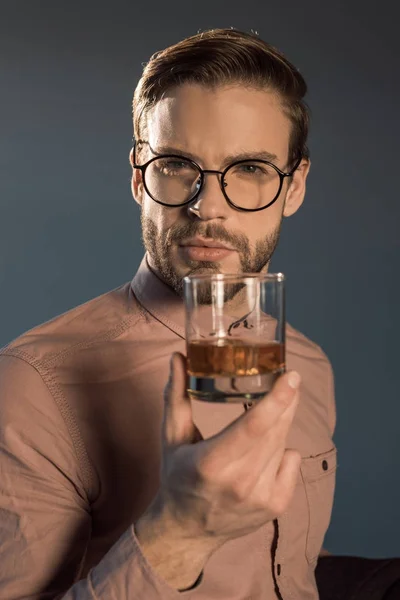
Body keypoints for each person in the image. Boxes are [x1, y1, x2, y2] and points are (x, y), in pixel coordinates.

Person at [0, 28, 337, 599]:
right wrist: (179, 533)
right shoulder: (32, 386)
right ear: (139, 175)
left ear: (295, 186)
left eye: (252, 169)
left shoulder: (309, 365)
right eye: (177, 165)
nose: (207, 206)